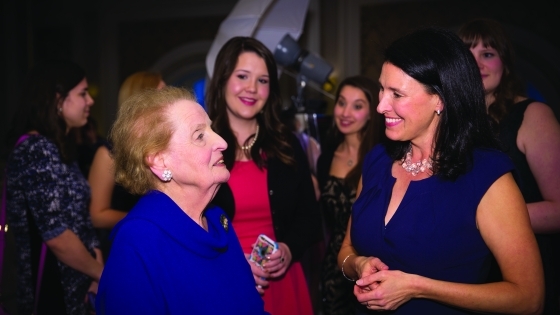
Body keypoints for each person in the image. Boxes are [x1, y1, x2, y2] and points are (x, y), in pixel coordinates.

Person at [338, 27, 544, 314]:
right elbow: (347, 248)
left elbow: (528, 298)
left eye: (397, 94)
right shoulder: (376, 160)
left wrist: (417, 287)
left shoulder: (486, 176)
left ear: (441, 99)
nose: (381, 106)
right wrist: (357, 265)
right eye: (382, 90)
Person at [96, 86, 268, 314]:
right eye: (199, 136)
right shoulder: (137, 242)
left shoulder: (218, 220)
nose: (222, 142)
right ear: (159, 161)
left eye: (212, 129)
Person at [207, 36, 322, 315]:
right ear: (222, 79)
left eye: (263, 80)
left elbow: (310, 217)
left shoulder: (287, 144)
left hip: (282, 283)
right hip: (221, 280)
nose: (252, 89)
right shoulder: (203, 145)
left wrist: (288, 248)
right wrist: (233, 262)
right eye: (243, 76)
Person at [458, 18, 560, 315]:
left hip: (523, 269)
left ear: (505, 63)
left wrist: (487, 219)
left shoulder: (533, 115)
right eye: (467, 53)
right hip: (467, 271)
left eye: (487, 54)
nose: (477, 63)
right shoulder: (449, 123)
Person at [5, 60, 103, 315]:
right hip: (53, 289)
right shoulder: (36, 149)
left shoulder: (60, 148)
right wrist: (101, 273)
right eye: (82, 94)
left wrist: (96, 268)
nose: (89, 101)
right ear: (58, 100)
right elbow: (56, 234)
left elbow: (81, 219)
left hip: (76, 285)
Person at [316, 75, 383, 315]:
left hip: (375, 267)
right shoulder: (325, 158)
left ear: (372, 112)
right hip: (335, 266)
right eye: (341, 102)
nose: (346, 112)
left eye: (357, 106)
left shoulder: (383, 158)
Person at [89, 70, 166, 231]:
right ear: (139, 101)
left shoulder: (165, 146)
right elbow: (97, 216)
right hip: (127, 239)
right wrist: (147, 219)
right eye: (161, 95)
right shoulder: (108, 154)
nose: (168, 101)